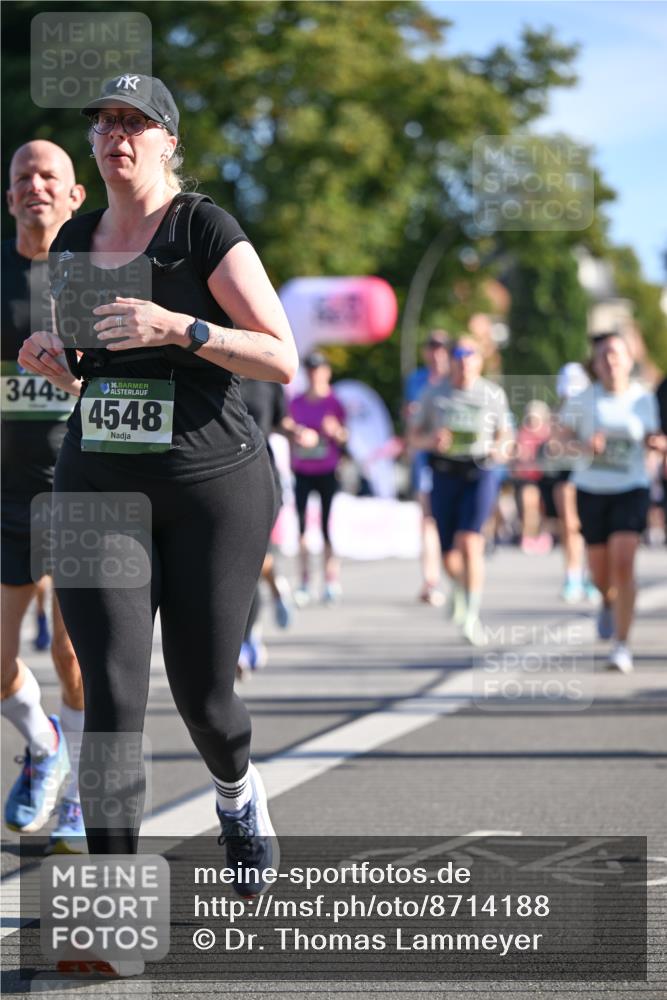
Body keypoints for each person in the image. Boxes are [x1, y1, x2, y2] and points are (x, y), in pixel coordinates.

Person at [18, 76, 297, 897]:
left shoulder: (202, 228)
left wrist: (180, 326)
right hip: (97, 479)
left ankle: (238, 796)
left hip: (213, 484)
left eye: (135, 122)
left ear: (168, 141)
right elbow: (89, 373)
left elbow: (279, 354)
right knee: (108, 694)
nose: (115, 135)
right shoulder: (72, 242)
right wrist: (55, 364)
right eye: (104, 122)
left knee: (205, 698)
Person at [1, 140, 86, 851]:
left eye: (48, 175)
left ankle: (82, 794)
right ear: (10, 198)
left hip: (87, 483)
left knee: (73, 650)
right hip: (7, 490)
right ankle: (45, 744)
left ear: (74, 195)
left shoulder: (99, 272)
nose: (35, 185)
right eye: (23, 177)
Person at [559, 332, 661, 672]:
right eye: (603, 356)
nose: (610, 361)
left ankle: (621, 644)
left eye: (616, 354)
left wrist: (658, 443)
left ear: (629, 360)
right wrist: (584, 447)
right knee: (601, 572)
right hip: (591, 490)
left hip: (631, 488)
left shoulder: (644, 399)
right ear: (595, 364)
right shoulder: (583, 399)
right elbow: (559, 442)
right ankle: (605, 600)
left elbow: (652, 436)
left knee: (623, 562)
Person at [409, 335, 513, 646]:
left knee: (471, 540)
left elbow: (507, 434)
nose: (465, 360)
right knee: (449, 556)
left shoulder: (492, 394)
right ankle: (459, 588)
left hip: (478, 471)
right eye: (460, 354)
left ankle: (472, 614)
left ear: (480, 360)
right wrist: (431, 441)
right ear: (452, 360)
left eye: (472, 354)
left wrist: (499, 448)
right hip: (444, 473)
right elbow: (413, 437)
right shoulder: (433, 394)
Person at [237, 376, 293, 676]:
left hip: (262, 477)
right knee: (237, 563)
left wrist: (297, 432)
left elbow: (281, 420)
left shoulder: (265, 373)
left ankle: (245, 641)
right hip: (219, 476)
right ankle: (276, 586)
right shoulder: (207, 359)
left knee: (252, 562)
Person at [288, 350, 348, 606]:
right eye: (310, 370)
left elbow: (346, 436)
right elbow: (287, 428)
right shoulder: (296, 402)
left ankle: (331, 579)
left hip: (326, 470)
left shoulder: (335, 402)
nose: (314, 374)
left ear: (327, 373)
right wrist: (296, 434)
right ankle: (304, 580)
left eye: (319, 369)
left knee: (326, 527)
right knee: (301, 528)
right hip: (302, 469)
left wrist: (335, 431)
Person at [403, 330, 449, 605]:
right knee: (427, 520)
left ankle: (455, 576)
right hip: (425, 457)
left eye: (442, 347)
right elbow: (410, 418)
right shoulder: (416, 380)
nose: (436, 352)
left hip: (454, 459)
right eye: (431, 346)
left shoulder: (455, 379)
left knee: (448, 523)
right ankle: (431, 579)